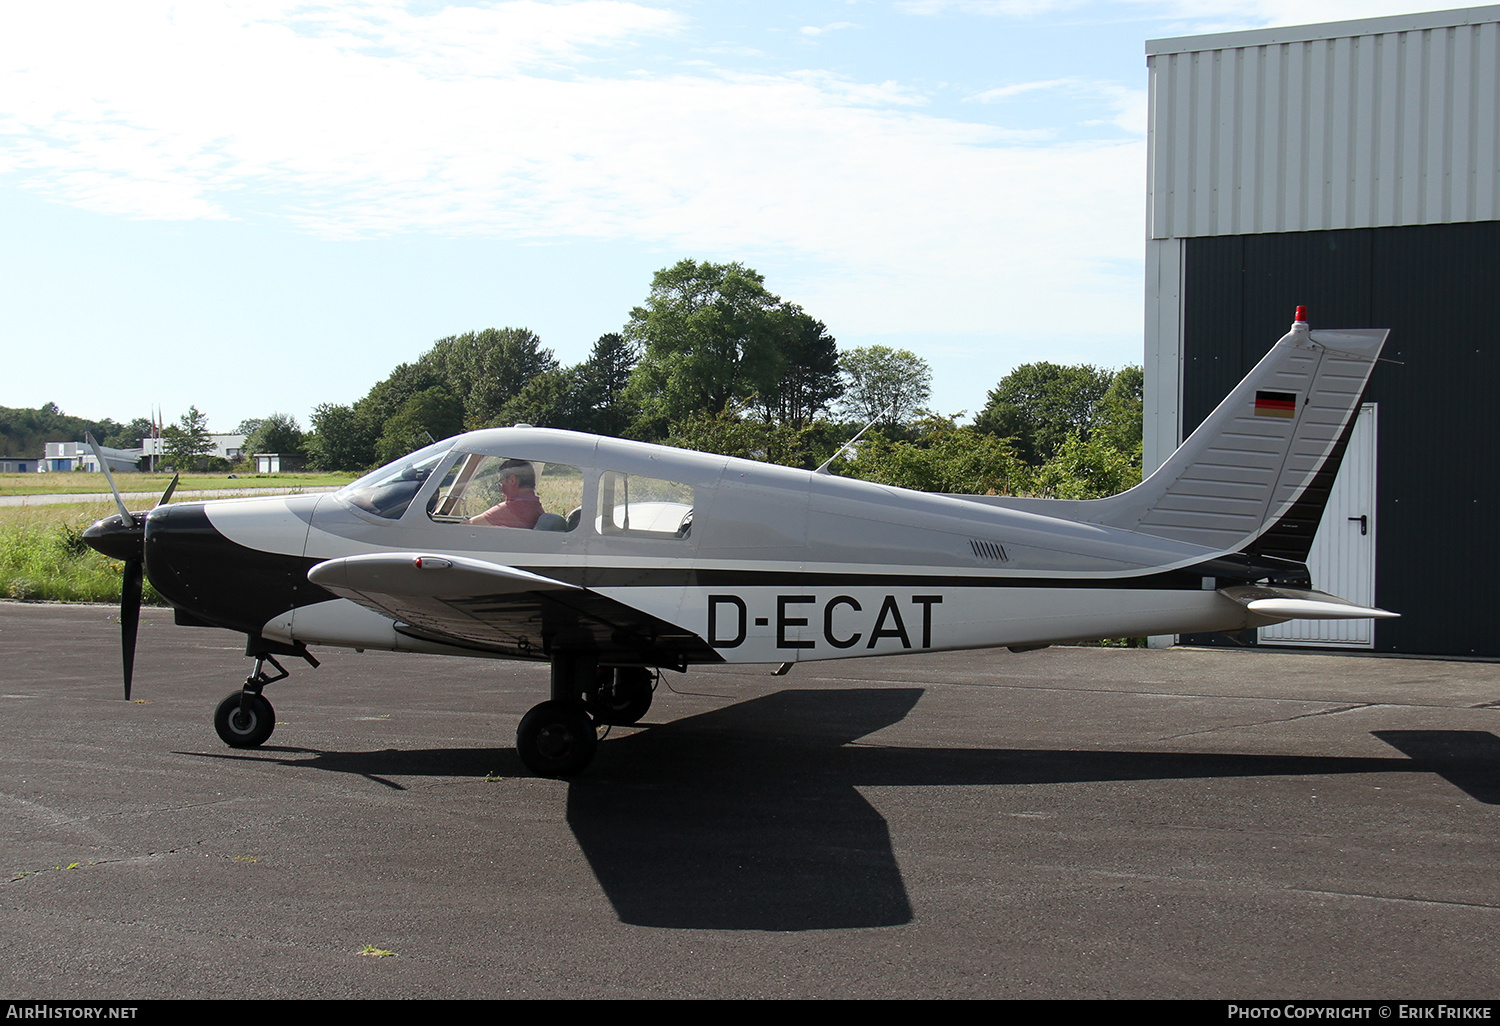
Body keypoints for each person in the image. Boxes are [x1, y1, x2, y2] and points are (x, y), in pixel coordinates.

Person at [468, 459, 544, 529]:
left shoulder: (512, 509)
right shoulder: (537, 509)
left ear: (512, 480)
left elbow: (468, 526)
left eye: (501, 483)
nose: (500, 489)